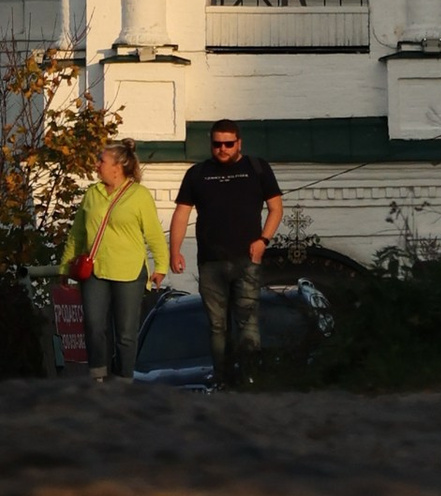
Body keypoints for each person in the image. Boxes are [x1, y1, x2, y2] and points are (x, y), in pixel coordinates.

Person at [169, 120, 284, 381]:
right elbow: (181, 214)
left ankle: (250, 379)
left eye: (228, 144)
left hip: (247, 260)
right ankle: (222, 379)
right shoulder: (197, 173)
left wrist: (263, 241)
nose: (222, 149)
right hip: (210, 261)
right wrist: (175, 251)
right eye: (217, 144)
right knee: (217, 326)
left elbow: (276, 208)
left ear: (239, 143)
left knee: (248, 323)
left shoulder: (257, 168)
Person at [59, 142, 169, 379]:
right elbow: (77, 233)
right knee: (94, 325)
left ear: (117, 167)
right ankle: (98, 376)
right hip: (95, 270)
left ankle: (124, 379)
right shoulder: (92, 193)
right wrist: (65, 266)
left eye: (102, 160)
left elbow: (154, 234)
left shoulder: (139, 195)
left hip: (129, 271)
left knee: (126, 333)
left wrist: (161, 266)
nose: (96, 164)